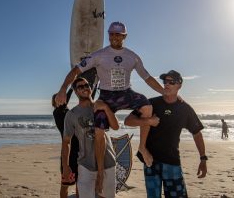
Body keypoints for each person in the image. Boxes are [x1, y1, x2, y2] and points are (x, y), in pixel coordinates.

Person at [55, 22, 164, 182]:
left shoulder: (132, 57)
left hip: (126, 93)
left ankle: (142, 147)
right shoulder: (99, 55)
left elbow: (147, 78)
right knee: (99, 131)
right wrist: (63, 88)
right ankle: (100, 170)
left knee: (147, 105)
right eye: (111, 33)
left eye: (118, 34)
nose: (114, 36)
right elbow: (76, 71)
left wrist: (164, 92)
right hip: (106, 97)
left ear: (124, 36)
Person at [125, 70, 207, 198]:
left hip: (172, 162)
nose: (167, 84)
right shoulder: (151, 103)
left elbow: (197, 133)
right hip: (150, 161)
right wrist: (149, 120)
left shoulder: (185, 109)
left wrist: (203, 158)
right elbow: (128, 121)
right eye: (165, 81)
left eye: (171, 82)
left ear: (179, 85)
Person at [61, 77, 119, 198]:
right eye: (80, 87)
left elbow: (115, 126)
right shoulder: (71, 114)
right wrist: (65, 166)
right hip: (86, 163)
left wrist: (107, 108)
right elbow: (66, 142)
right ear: (75, 91)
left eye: (86, 85)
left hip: (107, 160)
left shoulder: (101, 105)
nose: (85, 88)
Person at [52, 94, 80, 198]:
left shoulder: (69, 112)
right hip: (67, 152)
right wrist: (68, 87)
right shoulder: (57, 112)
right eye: (60, 98)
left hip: (78, 150)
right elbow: (66, 96)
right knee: (65, 184)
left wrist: (93, 88)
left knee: (79, 183)